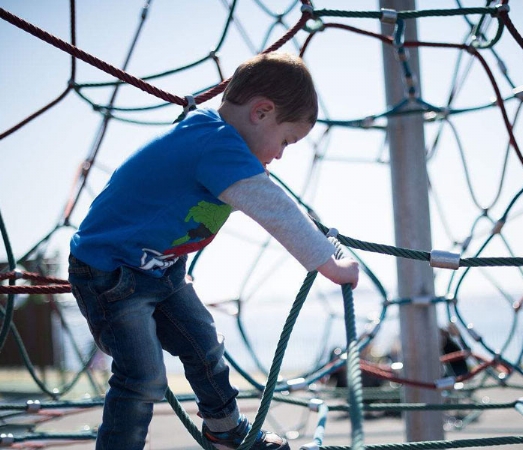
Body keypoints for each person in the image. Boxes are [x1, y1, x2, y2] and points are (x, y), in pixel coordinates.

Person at [67, 52, 359, 450]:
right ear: (261, 112)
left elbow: (173, 208)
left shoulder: (211, 137)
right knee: (143, 376)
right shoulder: (215, 143)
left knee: (205, 344)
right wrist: (329, 263)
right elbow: (273, 207)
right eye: (286, 140)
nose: (280, 154)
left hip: (159, 271)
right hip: (110, 272)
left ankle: (224, 430)